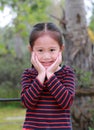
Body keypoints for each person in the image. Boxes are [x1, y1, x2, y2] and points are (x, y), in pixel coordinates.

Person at [21, 22, 76, 130]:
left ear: (61, 49)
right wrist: (41, 75)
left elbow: (66, 102)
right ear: (31, 50)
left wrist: (50, 74)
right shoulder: (28, 75)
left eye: (52, 50)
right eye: (40, 50)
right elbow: (27, 103)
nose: (46, 56)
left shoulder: (67, 73)